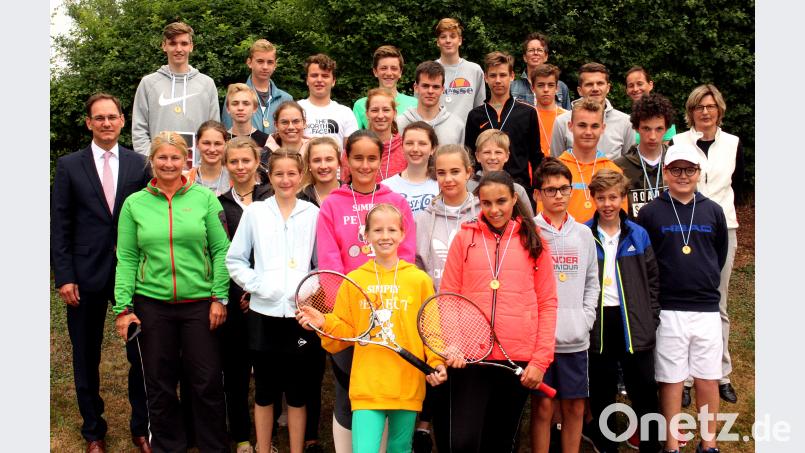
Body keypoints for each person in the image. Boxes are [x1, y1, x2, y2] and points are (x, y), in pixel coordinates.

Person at [113, 131, 230, 452]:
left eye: (174, 157)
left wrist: (219, 296)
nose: (168, 163)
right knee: (160, 382)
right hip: (152, 305)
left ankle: (212, 446)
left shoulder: (204, 198)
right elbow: (126, 257)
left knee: (205, 381)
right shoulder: (134, 204)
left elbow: (221, 249)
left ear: (185, 161)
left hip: (199, 304)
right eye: (161, 157)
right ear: (151, 161)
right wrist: (123, 307)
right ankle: (168, 445)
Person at [298, 203, 447, 453]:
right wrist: (323, 323)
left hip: (406, 382)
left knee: (400, 448)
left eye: (391, 230)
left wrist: (437, 361)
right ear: (365, 236)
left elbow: (431, 330)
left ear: (402, 234)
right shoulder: (355, 279)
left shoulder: (419, 280)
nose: (385, 236)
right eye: (377, 230)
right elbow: (344, 331)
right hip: (368, 384)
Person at [51, 93, 151, 453]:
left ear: (123, 120)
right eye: (99, 118)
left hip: (132, 272)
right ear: (89, 123)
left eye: (113, 117)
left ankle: (143, 427)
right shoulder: (69, 166)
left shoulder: (140, 165)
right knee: (85, 354)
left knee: (140, 351)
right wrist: (64, 276)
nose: (107, 123)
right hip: (84, 273)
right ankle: (93, 430)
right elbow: (59, 224)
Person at [438, 170, 557, 452]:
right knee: (463, 441)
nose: (494, 210)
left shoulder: (534, 240)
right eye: (486, 203)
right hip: (470, 357)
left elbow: (548, 303)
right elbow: (448, 296)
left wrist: (540, 361)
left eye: (501, 201)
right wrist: (453, 344)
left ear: (515, 199)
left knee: (500, 441)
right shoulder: (464, 238)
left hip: (516, 358)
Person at [315, 130, 417, 452]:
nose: (364, 164)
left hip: (391, 315)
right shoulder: (332, 205)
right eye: (357, 157)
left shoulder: (396, 202)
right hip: (351, 319)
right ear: (346, 159)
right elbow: (330, 265)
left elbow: (407, 255)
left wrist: (383, 306)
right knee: (350, 392)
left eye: (371, 158)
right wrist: (353, 313)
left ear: (381, 159)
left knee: (391, 393)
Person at [636, 143, 728, 453]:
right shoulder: (650, 212)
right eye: (676, 169)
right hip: (669, 308)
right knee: (671, 379)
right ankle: (672, 443)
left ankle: (709, 441)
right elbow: (646, 258)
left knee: (708, 377)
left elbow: (719, 253)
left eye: (690, 170)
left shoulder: (713, 211)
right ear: (665, 172)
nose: (683, 175)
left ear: (699, 173)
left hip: (705, 308)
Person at [226, 148, 319, 453]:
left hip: (299, 318)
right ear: (269, 176)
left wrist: (307, 294)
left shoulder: (313, 214)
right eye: (279, 173)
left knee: (296, 392)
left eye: (292, 173)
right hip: (262, 316)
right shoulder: (255, 212)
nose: (285, 179)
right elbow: (236, 259)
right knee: (264, 391)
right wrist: (258, 285)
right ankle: (262, 448)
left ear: (301, 175)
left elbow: (321, 266)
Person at [671, 84, 744, 407]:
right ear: (691, 110)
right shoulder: (680, 142)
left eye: (711, 106)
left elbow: (735, 184)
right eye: (699, 106)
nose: (705, 112)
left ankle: (720, 373)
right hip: (684, 227)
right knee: (682, 302)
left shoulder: (732, 143)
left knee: (719, 302)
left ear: (720, 109)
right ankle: (685, 378)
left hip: (722, 227)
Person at [583, 169, 661, 453]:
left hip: (634, 321)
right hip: (600, 321)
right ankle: (607, 444)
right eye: (601, 197)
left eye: (613, 197)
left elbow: (653, 280)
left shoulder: (638, 234)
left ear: (623, 198)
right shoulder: (585, 234)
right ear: (593, 199)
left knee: (643, 388)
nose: (607, 204)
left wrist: (650, 317)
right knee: (603, 390)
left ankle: (652, 444)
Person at [413, 143, 479, 452]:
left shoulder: (484, 212)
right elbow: (418, 269)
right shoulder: (424, 220)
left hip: (477, 325)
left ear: (469, 172)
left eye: (455, 171)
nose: (448, 178)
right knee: (441, 400)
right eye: (441, 172)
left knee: (473, 406)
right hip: (437, 325)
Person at [531, 158, 598, 453]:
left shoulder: (583, 234)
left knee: (574, 407)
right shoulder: (529, 232)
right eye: (550, 190)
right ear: (538, 194)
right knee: (544, 407)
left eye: (564, 189)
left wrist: (585, 318)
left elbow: (592, 282)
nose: (558, 196)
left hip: (575, 337)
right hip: (541, 340)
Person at [217, 137, 273, 453]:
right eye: (234, 162)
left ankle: (267, 436)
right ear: (226, 165)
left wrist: (259, 288)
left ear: (257, 163)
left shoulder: (272, 197)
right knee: (235, 372)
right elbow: (221, 254)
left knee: (268, 371)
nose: (240, 167)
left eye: (246, 161)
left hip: (267, 297)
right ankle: (240, 435)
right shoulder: (219, 203)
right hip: (234, 298)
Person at [132, 22, 219, 156]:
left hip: (197, 171)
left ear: (191, 46)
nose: (179, 49)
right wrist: (150, 159)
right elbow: (139, 129)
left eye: (184, 43)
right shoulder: (148, 83)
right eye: (173, 43)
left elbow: (214, 130)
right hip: (158, 167)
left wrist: (203, 164)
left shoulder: (207, 84)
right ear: (164, 46)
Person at [464, 51, 541, 193]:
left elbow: (536, 157)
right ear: (486, 78)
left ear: (512, 76)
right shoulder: (475, 115)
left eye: (503, 75)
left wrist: (537, 189)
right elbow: (470, 158)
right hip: (483, 189)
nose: (498, 80)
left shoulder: (528, 112)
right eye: (493, 75)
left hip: (519, 188)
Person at [544, 98, 627, 222]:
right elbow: (543, 220)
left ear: (603, 128)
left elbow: (621, 222)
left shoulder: (614, 171)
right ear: (570, 126)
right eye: (582, 125)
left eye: (594, 126)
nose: (588, 132)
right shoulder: (553, 170)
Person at [550, 63, 635, 160]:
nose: (595, 89)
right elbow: (556, 165)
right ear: (580, 90)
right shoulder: (562, 122)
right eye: (589, 84)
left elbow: (629, 164)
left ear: (608, 88)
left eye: (600, 83)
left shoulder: (625, 122)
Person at [614, 92, 674, 219]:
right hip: (634, 235)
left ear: (667, 129)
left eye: (659, 129)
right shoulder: (619, 167)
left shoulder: (677, 162)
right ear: (636, 128)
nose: (652, 136)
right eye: (646, 129)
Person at [221, 39, 293, 135]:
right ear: (249, 62)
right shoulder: (235, 96)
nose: (265, 67)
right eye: (260, 61)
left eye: (270, 62)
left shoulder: (286, 99)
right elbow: (228, 134)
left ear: (275, 65)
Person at [342, 88, 407, 182]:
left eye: (386, 110)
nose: (380, 116)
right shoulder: (354, 146)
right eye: (375, 110)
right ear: (367, 114)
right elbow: (341, 183)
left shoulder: (405, 146)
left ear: (394, 113)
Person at [467, 129, 535, 217]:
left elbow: (529, 224)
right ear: (477, 156)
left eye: (498, 152)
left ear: (507, 156)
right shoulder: (467, 187)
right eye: (487, 152)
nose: (492, 157)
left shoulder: (517, 190)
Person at [396, 60, 465, 145]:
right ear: (416, 87)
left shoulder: (456, 125)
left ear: (442, 90)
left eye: (436, 87)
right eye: (425, 86)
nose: (430, 91)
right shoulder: (399, 123)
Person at [299, 53, 359, 148]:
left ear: (333, 81)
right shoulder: (296, 109)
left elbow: (352, 152)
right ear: (307, 80)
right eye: (314, 75)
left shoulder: (345, 113)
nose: (319, 80)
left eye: (325, 76)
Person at [433, 18, 486, 123]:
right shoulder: (427, 70)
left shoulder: (475, 70)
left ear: (460, 40)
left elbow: (480, 108)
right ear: (438, 42)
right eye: (443, 37)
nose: (448, 40)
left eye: (452, 36)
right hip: (434, 135)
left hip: (467, 135)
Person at [353, 45, 418, 129]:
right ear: (375, 71)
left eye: (394, 68)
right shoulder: (360, 105)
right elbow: (356, 139)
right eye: (384, 68)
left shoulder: (414, 104)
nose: (389, 73)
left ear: (400, 72)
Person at [382, 122, 440, 214]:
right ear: (402, 147)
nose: (415, 149)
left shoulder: (441, 185)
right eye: (409, 143)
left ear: (433, 149)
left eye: (422, 144)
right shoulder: (386, 187)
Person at [510, 32, 571, 110]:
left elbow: (568, 118)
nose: (535, 53)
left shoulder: (561, 87)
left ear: (546, 57)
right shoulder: (512, 87)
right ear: (525, 57)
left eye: (539, 50)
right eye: (531, 50)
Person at [624, 66, 677, 144]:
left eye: (640, 84)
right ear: (627, 90)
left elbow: (664, 153)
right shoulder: (623, 120)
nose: (635, 89)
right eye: (631, 86)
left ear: (650, 85)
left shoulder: (664, 117)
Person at [531, 64, 568, 158]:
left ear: (557, 88)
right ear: (533, 88)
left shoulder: (567, 117)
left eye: (550, 85)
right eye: (541, 85)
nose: (546, 90)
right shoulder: (527, 116)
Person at [186, 120, 230, 196]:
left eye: (217, 144)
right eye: (206, 143)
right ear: (197, 143)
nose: (212, 149)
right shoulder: (185, 181)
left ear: (225, 145)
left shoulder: (234, 179)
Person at [299, 136, 342, 207]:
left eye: (329, 159)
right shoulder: (299, 199)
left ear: (338, 163)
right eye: (317, 160)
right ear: (309, 165)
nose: (323, 166)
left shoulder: (353, 194)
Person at [225, 83, 269, 148]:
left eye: (246, 104)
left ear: (254, 108)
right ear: (228, 109)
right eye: (235, 104)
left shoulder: (267, 141)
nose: (240, 108)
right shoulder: (221, 140)